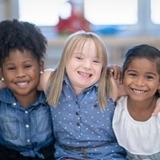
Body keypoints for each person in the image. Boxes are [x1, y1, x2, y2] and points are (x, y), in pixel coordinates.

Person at [40, 30, 127, 160]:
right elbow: (16, 81)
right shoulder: (49, 80)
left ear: (103, 66)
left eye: (96, 61)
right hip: (68, 155)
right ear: (65, 59)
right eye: (79, 58)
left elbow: (144, 88)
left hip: (107, 154)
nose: (87, 66)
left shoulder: (111, 85)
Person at [0, 19, 54, 160]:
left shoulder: (51, 96)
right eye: (11, 68)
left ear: (40, 67)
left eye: (27, 66)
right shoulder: (1, 101)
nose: (20, 74)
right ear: (2, 73)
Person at [112, 44, 160, 159]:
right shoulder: (117, 105)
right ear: (122, 76)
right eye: (133, 74)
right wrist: (109, 69)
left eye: (149, 77)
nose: (139, 83)